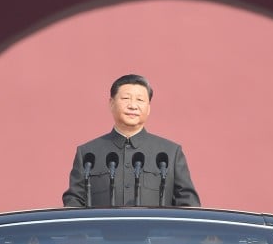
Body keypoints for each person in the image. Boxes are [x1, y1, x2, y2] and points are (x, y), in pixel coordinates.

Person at [62, 74, 200, 207]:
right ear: (111, 103)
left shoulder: (170, 153)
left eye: (140, 100)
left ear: (148, 108)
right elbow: (74, 202)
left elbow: (188, 204)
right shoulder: (88, 154)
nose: (133, 106)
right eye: (126, 98)